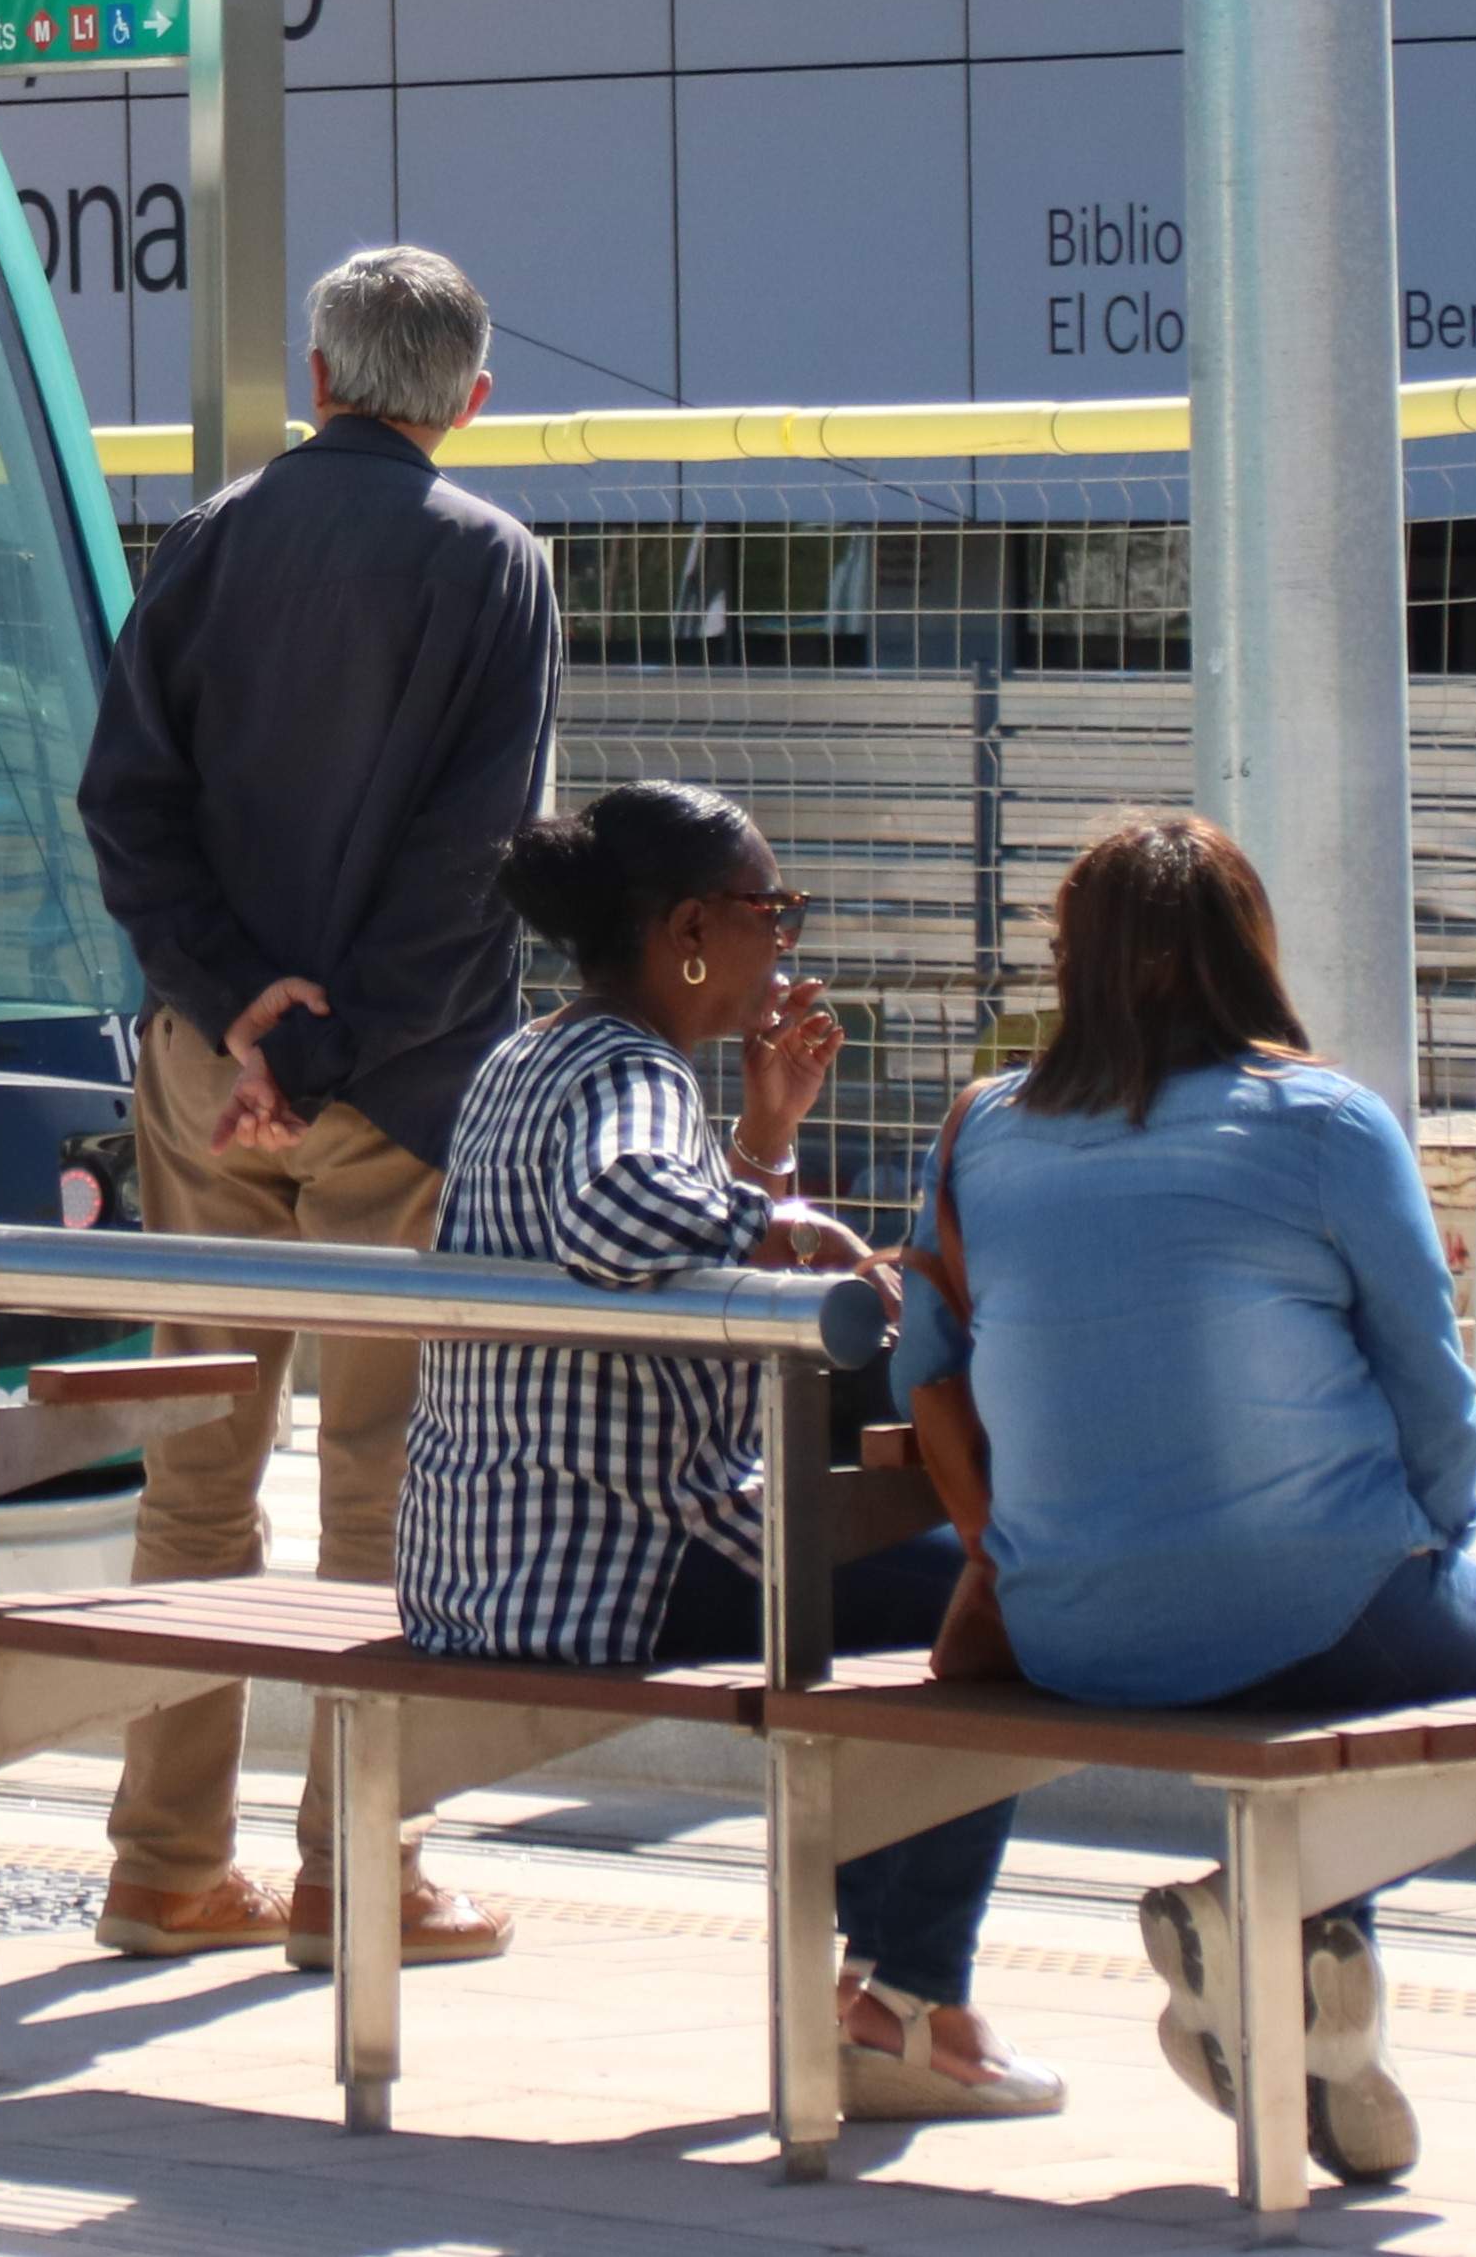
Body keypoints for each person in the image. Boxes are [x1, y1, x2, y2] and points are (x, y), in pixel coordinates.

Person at [890, 811, 1476, 2188]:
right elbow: (1432, 1389)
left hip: (1069, 1622)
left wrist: (1028, 1545)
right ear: (1245, 950)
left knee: (1335, 1668)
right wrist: (1430, 1541)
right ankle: (1255, 1916)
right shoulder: (1325, 1119)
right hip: (1315, 1596)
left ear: (1072, 967)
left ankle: (1321, 2005)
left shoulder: (979, 1132)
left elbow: (923, 1369)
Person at [398, 784, 1060, 2123]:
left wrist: (762, 1151)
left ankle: (887, 1981)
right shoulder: (628, 1071)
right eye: (771, 913)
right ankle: (907, 1999)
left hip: (484, 1562)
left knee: (895, 1588)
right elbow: (620, 1209)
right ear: (689, 929)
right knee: (997, 1605)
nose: (783, 944)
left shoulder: (532, 1056)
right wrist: (799, 1230)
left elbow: (634, 1228)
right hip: (607, 1558)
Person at [69, 239, 562, 1967]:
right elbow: (476, 860)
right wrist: (332, 1047)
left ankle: (162, 1859)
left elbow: (125, 803)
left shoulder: (206, 540)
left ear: (319, 373)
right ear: (470, 400)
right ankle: (363, 1862)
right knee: (379, 1475)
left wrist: (234, 1015)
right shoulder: (495, 567)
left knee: (197, 1472)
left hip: (208, 1076)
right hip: (400, 1085)